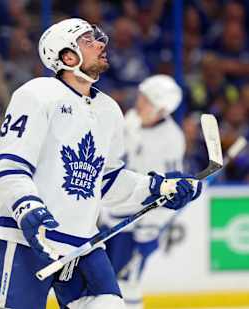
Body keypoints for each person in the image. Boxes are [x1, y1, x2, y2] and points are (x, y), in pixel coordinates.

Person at [0, 18, 202, 309]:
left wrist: (159, 187)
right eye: (89, 41)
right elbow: (11, 167)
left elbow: (108, 181)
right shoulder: (36, 94)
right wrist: (27, 206)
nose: (101, 44)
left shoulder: (109, 110)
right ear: (68, 56)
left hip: (82, 241)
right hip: (28, 237)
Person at [101, 74, 185, 308]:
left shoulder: (171, 139)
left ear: (161, 109)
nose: (139, 103)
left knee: (126, 284)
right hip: (113, 216)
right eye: (141, 97)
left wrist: (153, 226)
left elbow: (172, 189)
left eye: (146, 100)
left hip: (140, 225)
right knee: (101, 282)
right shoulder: (131, 120)